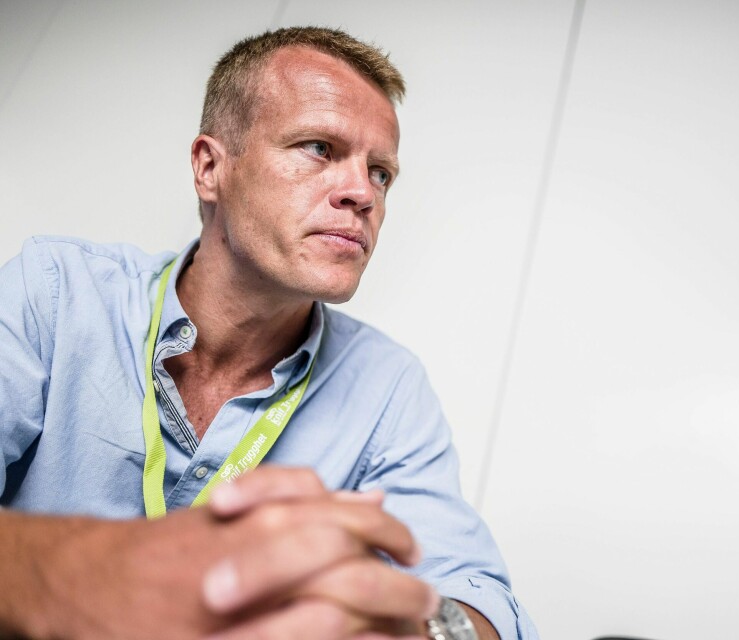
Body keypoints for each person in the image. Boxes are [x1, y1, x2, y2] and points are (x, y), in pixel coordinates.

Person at [0, 26, 538, 640]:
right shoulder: (55, 293)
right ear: (210, 168)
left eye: (381, 173)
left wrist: (418, 630)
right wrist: (96, 574)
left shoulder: (389, 388)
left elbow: (480, 597)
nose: (362, 193)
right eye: (319, 147)